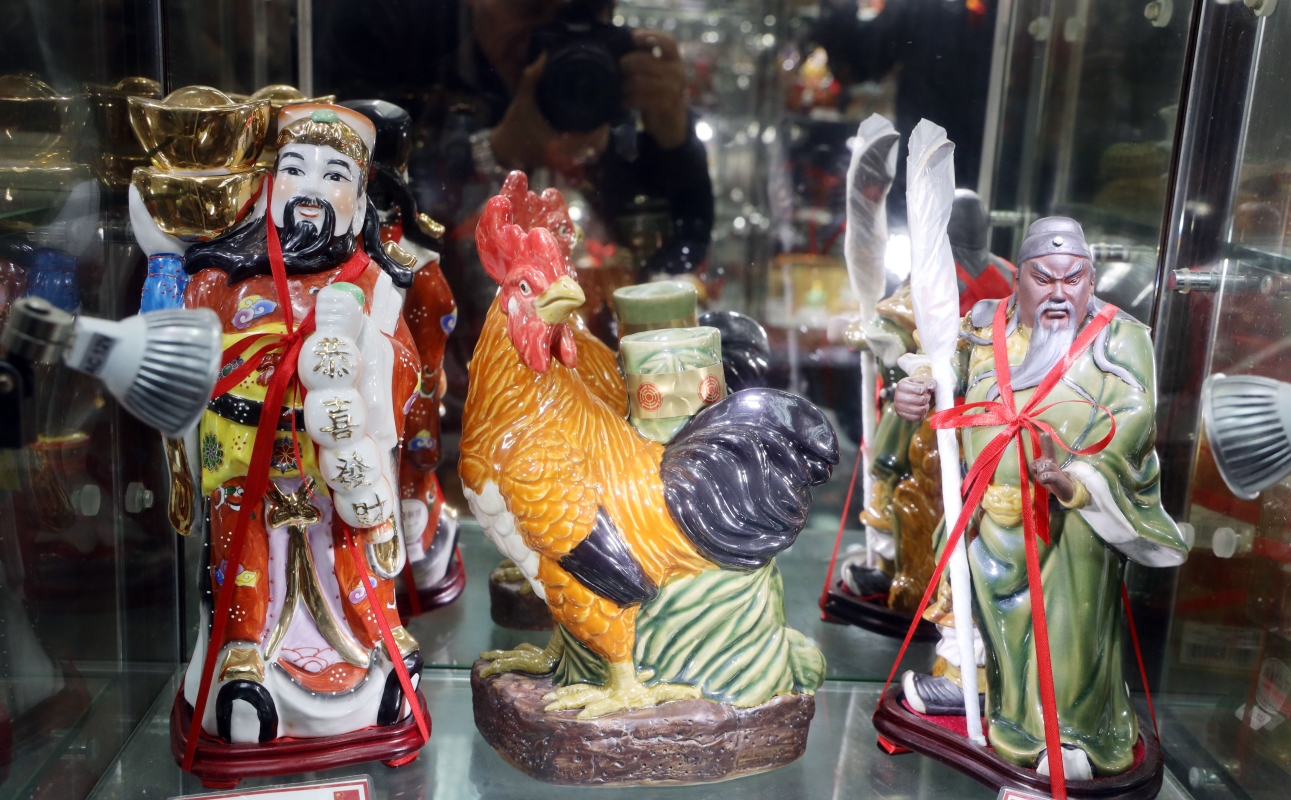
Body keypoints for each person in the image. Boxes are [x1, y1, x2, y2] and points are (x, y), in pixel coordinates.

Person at [130, 105, 423, 743]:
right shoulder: (223, 277)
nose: (311, 189)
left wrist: (363, 345)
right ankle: (242, 653)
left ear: (360, 202)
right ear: (268, 187)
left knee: (348, 544)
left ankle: (374, 645)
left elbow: (404, 369)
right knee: (243, 544)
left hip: (332, 462)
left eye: (334, 175)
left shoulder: (374, 284)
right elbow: (177, 352)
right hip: (243, 458)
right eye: (295, 169)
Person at [891, 217, 1186, 778]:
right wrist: (914, 390)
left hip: (1069, 517)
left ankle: (1066, 732)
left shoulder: (1122, 337)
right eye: (1043, 278)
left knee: (1066, 626)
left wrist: (1077, 482)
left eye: (1072, 279)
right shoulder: (983, 325)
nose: (1058, 293)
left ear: (1091, 280)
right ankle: (972, 686)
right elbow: (941, 373)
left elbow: (1135, 417)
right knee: (967, 599)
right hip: (985, 505)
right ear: (1017, 278)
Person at [405, 0, 714, 407]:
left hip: (612, 385)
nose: (548, 40)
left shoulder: (622, 90)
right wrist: (495, 149)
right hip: (458, 386)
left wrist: (671, 137)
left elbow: (683, 252)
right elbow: (395, 211)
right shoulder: (427, 59)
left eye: (583, 17)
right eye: (530, 10)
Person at [815, 0, 998, 222]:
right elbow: (867, 59)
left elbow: (866, 60)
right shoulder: (921, 7)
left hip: (975, 157)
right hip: (949, 155)